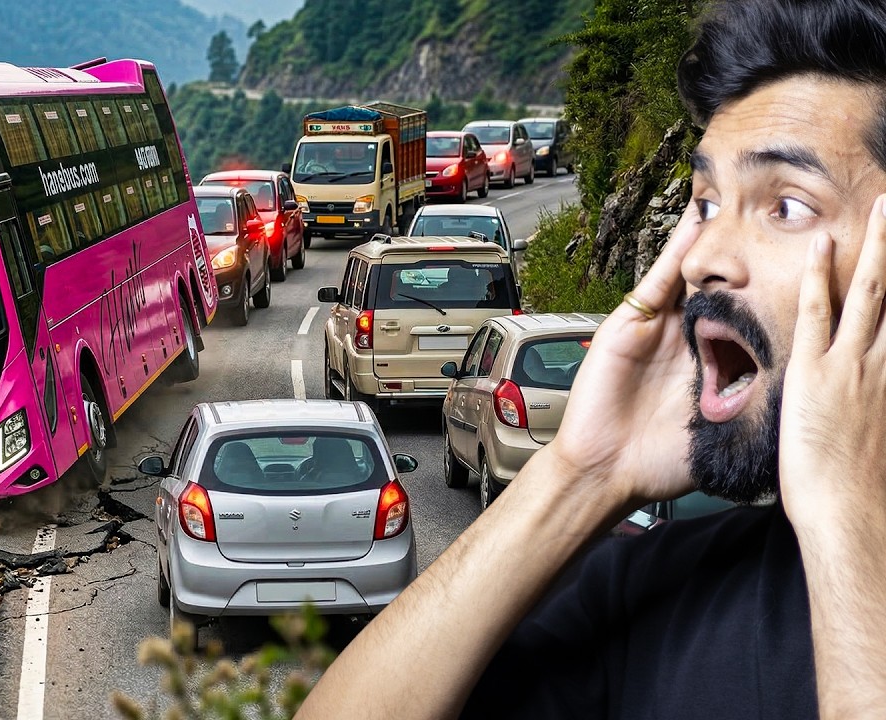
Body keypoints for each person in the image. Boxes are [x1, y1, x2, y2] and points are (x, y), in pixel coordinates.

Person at [298, 1, 886, 717]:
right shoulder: (660, 592)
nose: (701, 260)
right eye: (704, 205)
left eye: (786, 206)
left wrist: (846, 535)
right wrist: (582, 476)